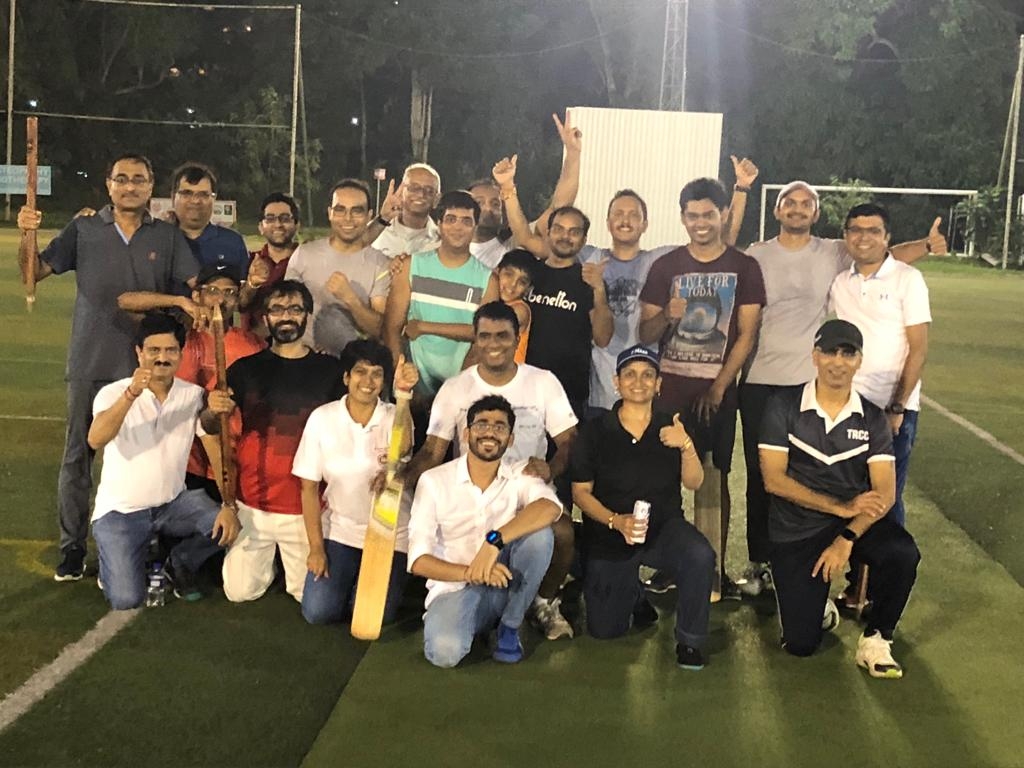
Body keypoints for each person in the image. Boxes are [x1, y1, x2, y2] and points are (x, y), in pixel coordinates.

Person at [737, 181, 945, 596]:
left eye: (806, 204)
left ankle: (860, 582)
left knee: (859, 489)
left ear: (816, 214)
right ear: (777, 210)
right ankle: (769, 564)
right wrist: (741, 189)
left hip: (823, 391)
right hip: (768, 381)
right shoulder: (761, 255)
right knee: (768, 481)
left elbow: (883, 255)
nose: (797, 209)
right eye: (790, 203)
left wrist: (925, 245)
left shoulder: (834, 252)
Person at [17, 152, 200, 581]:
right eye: (122, 179)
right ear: (108, 185)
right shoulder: (83, 228)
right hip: (91, 359)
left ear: (151, 186)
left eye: (138, 179)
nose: (129, 186)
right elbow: (32, 273)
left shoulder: (167, 236)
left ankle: (142, 546)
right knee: (78, 457)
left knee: (147, 456)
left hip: (147, 364)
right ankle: (72, 548)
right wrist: (28, 233)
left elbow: (199, 286)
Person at [759, 319, 920, 677]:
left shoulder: (872, 417)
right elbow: (774, 480)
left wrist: (846, 536)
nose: (838, 362)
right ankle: (820, 609)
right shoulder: (782, 405)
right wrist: (840, 508)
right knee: (800, 645)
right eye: (830, 352)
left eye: (848, 354)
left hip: (849, 526)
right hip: (796, 528)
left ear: (859, 361)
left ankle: (877, 638)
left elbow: (885, 492)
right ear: (815, 356)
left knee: (902, 552)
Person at [410, 302, 579, 640]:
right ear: (475, 339)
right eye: (485, 336)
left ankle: (543, 601)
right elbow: (432, 452)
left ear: (518, 337)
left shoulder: (542, 382)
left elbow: (569, 440)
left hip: (526, 491)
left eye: (502, 335)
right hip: (474, 493)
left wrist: (551, 468)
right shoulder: (455, 388)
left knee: (561, 532)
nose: (493, 344)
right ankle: (474, 598)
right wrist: (399, 479)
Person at [638, 177, 766, 598]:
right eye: (692, 215)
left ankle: (711, 572)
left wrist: (719, 386)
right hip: (669, 392)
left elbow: (747, 334)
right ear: (682, 217)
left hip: (716, 395)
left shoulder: (744, 267)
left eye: (709, 214)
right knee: (662, 480)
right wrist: (668, 317)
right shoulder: (666, 266)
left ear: (724, 214)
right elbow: (645, 332)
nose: (700, 223)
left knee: (712, 481)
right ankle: (668, 565)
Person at [571, 345, 712, 669]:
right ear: (616, 382)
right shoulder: (595, 430)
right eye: (630, 375)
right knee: (605, 630)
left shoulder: (672, 426)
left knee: (699, 554)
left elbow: (694, 482)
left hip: (663, 528)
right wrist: (615, 521)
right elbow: (580, 493)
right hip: (610, 532)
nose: (639, 382)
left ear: (658, 384)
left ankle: (690, 641)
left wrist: (686, 445)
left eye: (648, 375)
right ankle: (631, 592)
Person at [87, 313, 239, 609]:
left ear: (181, 354)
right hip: (121, 511)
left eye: (170, 350)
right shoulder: (113, 392)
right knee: (126, 598)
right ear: (139, 352)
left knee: (229, 526)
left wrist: (228, 504)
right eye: (153, 350)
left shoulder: (192, 395)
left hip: (173, 504)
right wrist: (132, 393)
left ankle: (179, 561)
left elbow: (214, 448)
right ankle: (114, 565)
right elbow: (95, 439)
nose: (162, 358)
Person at [407, 394, 561, 667]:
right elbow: (418, 561)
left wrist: (493, 542)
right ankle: (472, 624)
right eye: (481, 424)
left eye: (500, 427)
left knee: (541, 536)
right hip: (455, 588)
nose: (490, 432)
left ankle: (509, 626)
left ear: (510, 440)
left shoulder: (520, 475)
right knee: (445, 653)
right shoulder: (434, 481)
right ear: (466, 434)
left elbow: (549, 508)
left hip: (506, 584)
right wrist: (474, 571)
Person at [223, 280, 346, 603]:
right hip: (253, 503)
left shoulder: (332, 371)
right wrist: (212, 410)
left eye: (294, 309)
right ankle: (270, 561)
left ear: (307, 315)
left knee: (309, 597)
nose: (286, 316)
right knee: (239, 592)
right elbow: (211, 425)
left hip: (305, 507)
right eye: (277, 309)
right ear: (265, 318)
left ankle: (289, 560)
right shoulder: (245, 369)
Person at [295, 340, 418, 625]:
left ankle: (378, 584)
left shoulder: (394, 415)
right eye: (360, 372)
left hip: (389, 532)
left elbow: (403, 447)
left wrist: (403, 396)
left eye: (377, 374)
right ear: (346, 377)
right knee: (317, 612)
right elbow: (308, 489)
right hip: (342, 530)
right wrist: (316, 548)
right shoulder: (322, 418)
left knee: (373, 617)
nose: (368, 382)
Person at [830, 203, 932, 529]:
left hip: (892, 411)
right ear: (845, 235)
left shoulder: (908, 279)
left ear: (887, 237)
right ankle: (852, 562)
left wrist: (897, 407)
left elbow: (918, 350)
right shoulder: (841, 282)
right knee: (850, 495)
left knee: (885, 501)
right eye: (856, 230)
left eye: (873, 231)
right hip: (848, 406)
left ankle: (890, 564)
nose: (864, 238)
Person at [382, 190, 499, 399]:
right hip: (412, 386)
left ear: (475, 227)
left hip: (461, 390)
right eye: (451, 219)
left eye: (466, 221)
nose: (458, 228)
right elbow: (392, 328)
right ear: (439, 224)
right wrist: (402, 379)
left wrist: (458, 390)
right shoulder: (411, 266)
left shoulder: (488, 280)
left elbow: (483, 337)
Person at [173, 264, 265, 501]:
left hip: (229, 461)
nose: (221, 300)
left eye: (230, 292)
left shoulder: (252, 345)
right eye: (213, 291)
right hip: (184, 462)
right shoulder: (177, 342)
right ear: (197, 296)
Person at [285, 179, 390, 356]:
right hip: (305, 362)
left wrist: (351, 299)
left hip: (352, 366)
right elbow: (285, 311)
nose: (348, 218)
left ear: (369, 215)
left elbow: (380, 329)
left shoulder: (380, 264)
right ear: (330, 213)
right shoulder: (304, 254)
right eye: (340, 210)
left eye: (357, 211)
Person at [468, 112, 583, 269]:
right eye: (479, 202)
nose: (487, 208)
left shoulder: (519, 245)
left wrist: (573, 154)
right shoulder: (441, 247)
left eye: (496, 204)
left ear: (505, 215)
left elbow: (559, 208)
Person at [170, 162, 250, 276]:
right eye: (187, 193)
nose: (195, 201)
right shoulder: (159, 241)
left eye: (203, 195)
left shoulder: (233, 242)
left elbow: (244, 285)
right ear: (173, 197)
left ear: (214, 198)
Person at [239, 192, 301, 333]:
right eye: (270, 219)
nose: (278, 224)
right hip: (254, 342)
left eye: (285, 218)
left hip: (297, 341)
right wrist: (252, 284)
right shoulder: (249, 260)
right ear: (261, 227)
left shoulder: (307, 260)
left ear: (297, 225)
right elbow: (240, 305)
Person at [370, 163, 442, 258]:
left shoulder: (441, 242)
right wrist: (383, 218)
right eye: (414, 188)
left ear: (436, 200)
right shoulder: (373, 233)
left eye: (429, 190)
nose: (421, 194)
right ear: (401, 191)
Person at [494, 249, 536, 364]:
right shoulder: (496, 302)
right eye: (509, 274)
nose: (513, 284)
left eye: (522, 282)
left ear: (528, 289)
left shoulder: (520, 310)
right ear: (497, 272)